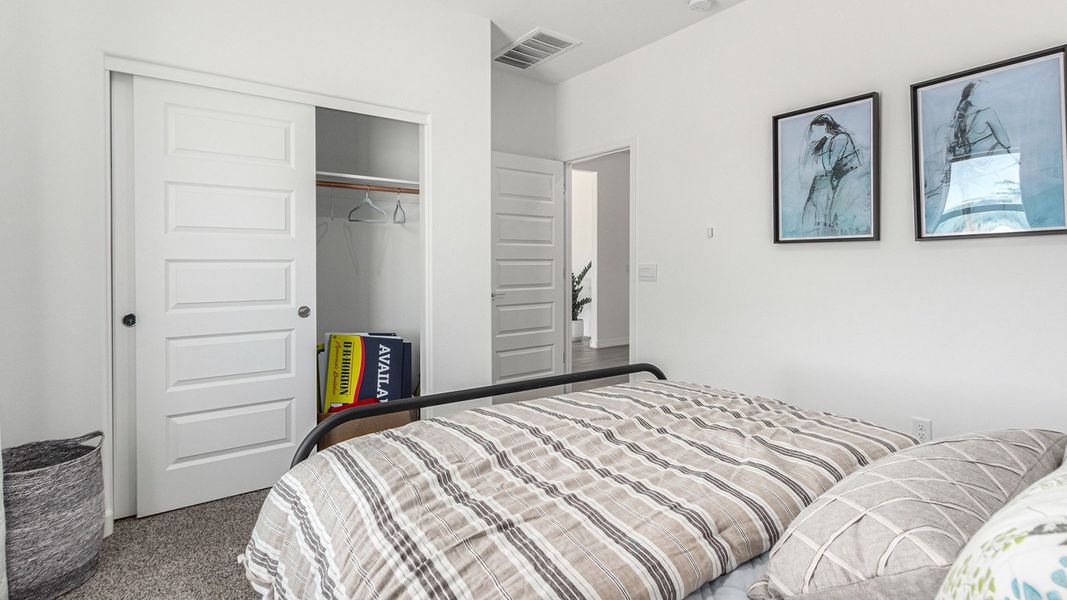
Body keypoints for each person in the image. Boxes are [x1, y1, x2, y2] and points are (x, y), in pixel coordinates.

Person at [929, 80, 1028, 234]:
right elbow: (1006, 141)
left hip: (965, 173)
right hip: (988, 173)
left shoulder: (956, 120)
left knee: (969, 219)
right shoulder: (987, 113)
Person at [799, 114, 870, 236]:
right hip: (829, 181)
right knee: (814, 209)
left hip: (843, 180)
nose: (813, 134)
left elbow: (828, 166)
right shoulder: (824, 142)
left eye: (815, 130)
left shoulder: (840, 138)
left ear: (826, 127)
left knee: (824, 211)